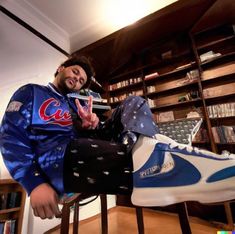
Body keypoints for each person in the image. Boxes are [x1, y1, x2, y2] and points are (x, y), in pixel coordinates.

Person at [1, 55, 235, 220]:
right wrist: (34, 183)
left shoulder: (73, 104)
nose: (77, 79)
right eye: (75, 72)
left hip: (77, 149)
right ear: (61, 67)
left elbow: (87, 139)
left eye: (82, 80)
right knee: (93, 150)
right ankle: (197, 168)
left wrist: (92, 125)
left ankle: (148, 148)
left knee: (133, 102)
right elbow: (11, 137)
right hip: (55, 159)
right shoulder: (30, 91)